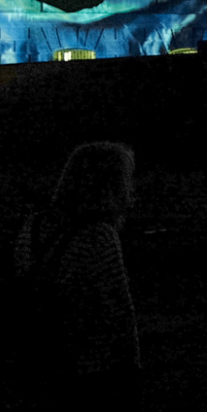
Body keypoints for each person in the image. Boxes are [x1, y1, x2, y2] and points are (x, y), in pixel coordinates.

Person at [13, 141, 141, 389]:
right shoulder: (99, 235)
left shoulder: (33, 226)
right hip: (92, 368)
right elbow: (118, 314)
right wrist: (131, 370)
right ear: (111, 184)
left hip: (40, 360)